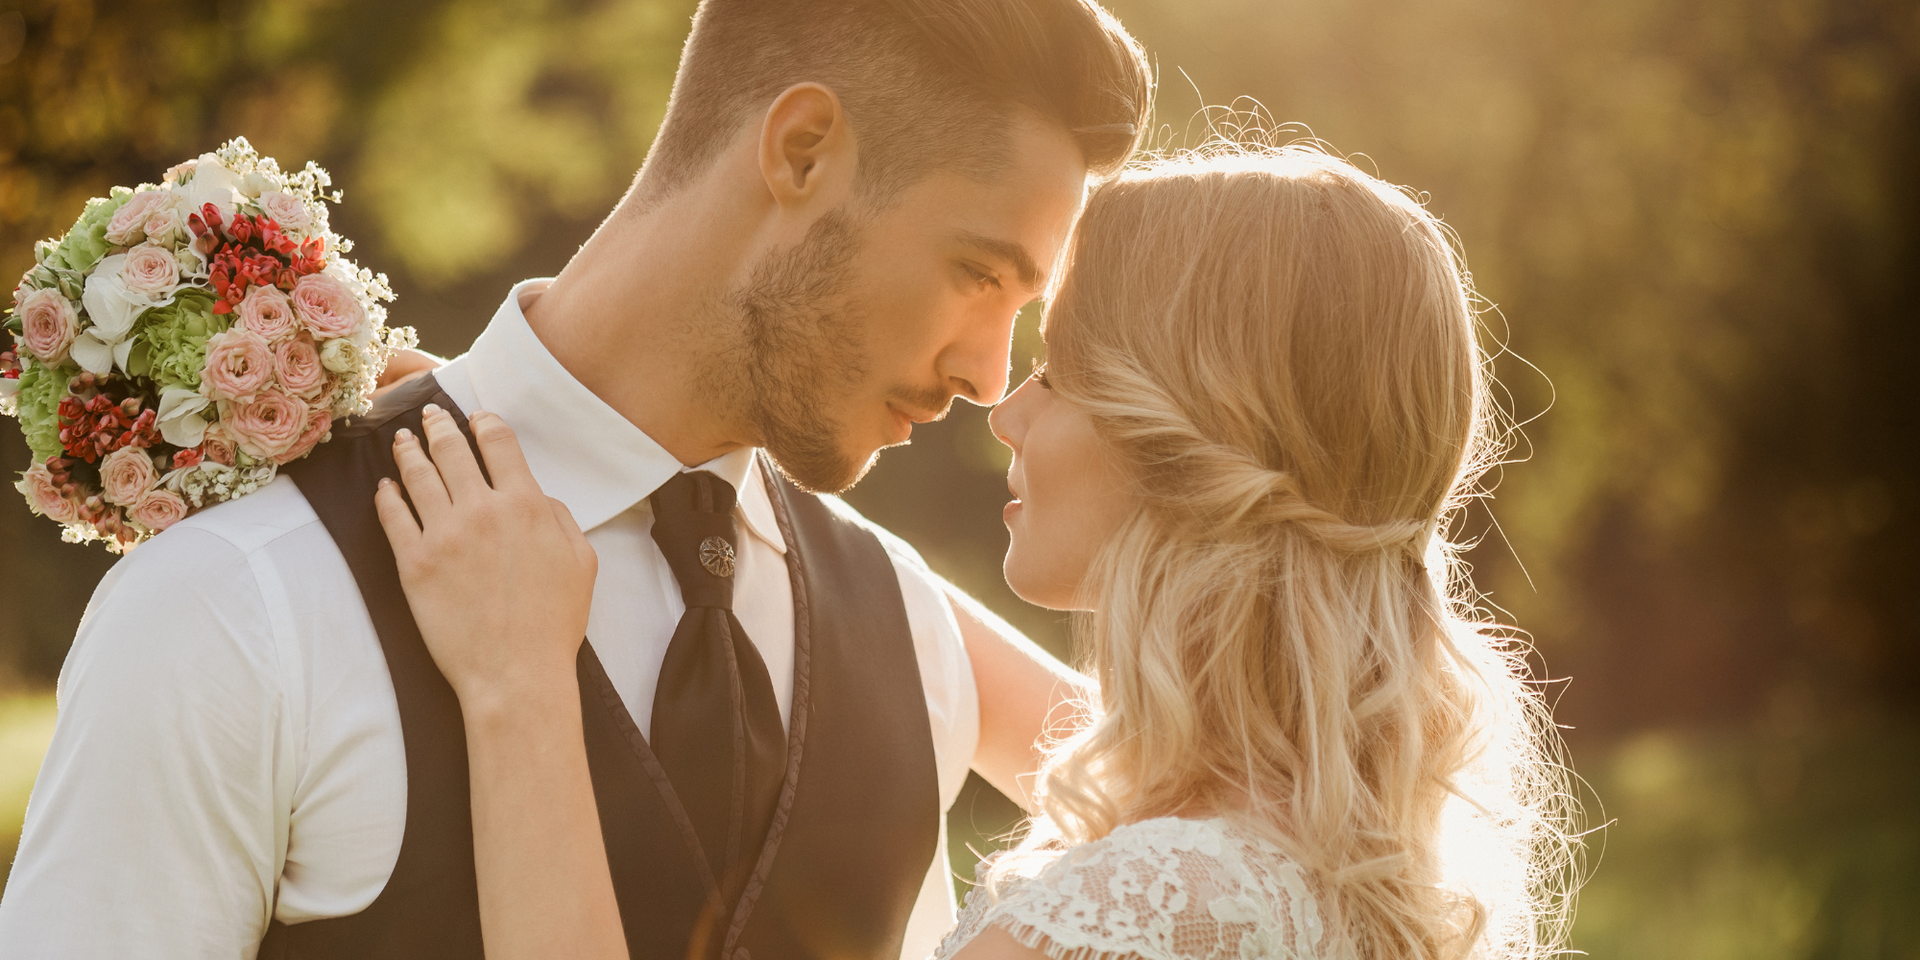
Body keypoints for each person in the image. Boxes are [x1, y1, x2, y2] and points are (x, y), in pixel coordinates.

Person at [0, 1, 1151, 958]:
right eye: (977, 274)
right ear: (802, 150)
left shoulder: (910, 632)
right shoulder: (238, 601)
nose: (987, 373)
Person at [381, 142, 1579, 960]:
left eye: (1061, 369)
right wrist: (534, 416)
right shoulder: (1319, 840)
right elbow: (883, 607)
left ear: (1185, 437)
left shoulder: (1132, 915)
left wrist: (517, 686)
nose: (1007, 406)